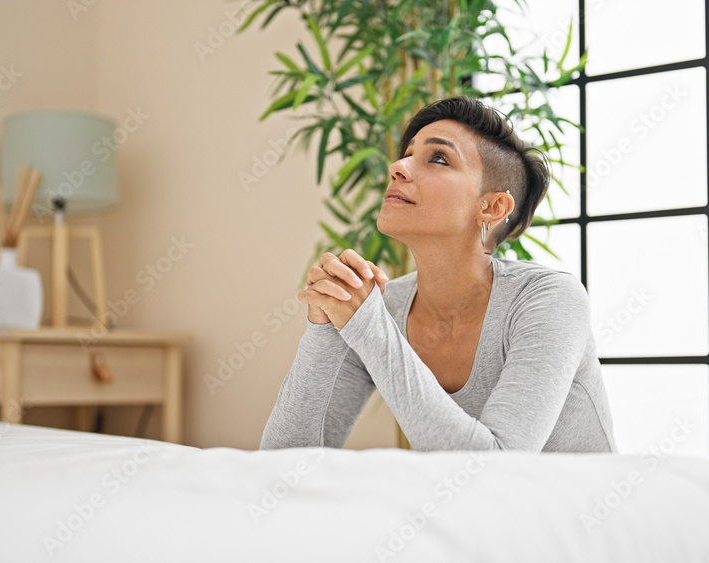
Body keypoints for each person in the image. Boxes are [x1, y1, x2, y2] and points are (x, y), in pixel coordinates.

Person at [260, 96, 616, 452]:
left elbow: (496, 466)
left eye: (439, 158)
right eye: (408, 154)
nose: (398, 167)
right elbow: (284, 461)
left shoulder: (551, 299)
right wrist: (324, 328)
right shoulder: (382, 308)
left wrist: (367, 326)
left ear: (491, 207)